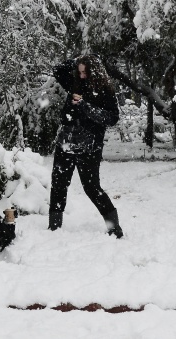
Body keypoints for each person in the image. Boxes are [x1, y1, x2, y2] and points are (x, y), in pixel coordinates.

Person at [49, 54, 123, 238]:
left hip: (90, 146)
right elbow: (58, 69)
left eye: (85, 72)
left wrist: (85, 107)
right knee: (58, 184)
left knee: (91, 187)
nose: (82, 76)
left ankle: (114, 228)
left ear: (95, 72)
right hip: (66, 141)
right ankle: (54, 228)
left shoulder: (105, 90)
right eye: (79, 72)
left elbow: (112, 118)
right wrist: (78, 60)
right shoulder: (75, 82)